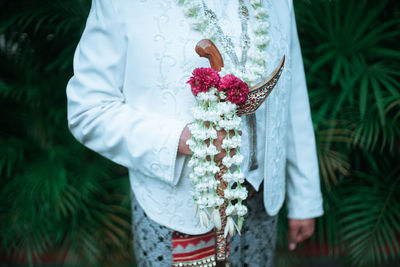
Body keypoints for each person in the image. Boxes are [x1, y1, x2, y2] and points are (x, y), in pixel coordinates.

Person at [66, 0, 323, 266]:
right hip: (176, 212)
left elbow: (291, 95)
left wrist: (305, 198)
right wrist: (182, 139)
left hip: (261, 209)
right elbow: (87, 109)